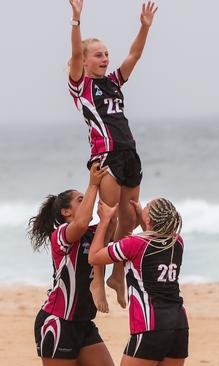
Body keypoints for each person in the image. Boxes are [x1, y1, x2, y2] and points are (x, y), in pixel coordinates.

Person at [67, 0, 159, 309]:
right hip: (105, 156)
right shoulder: (81, 86)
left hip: (129, 153)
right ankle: (97, 280)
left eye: (106, 54)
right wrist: (77, 21)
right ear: (85, 60)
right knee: (105, 219)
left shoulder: (114, 82)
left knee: (129, 217)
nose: (105, 58)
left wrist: (144, 27)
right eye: (99, 54)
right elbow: (75, 54)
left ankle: (118, 274)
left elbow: (135, 54)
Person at [28, 163, 114, 365]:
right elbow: (81, 223)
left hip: (84, 322)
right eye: (81, 200)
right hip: (57, 321)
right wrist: (92, 184)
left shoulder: (94, 234)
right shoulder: (61, 235)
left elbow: (114, 223)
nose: (87, 203)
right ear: (66, 211)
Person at [88, 198, 188, 366]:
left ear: (149, 219)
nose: (145, 205)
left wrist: (104, 221)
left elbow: (94, 257)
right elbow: (155, 240)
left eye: (148, 206)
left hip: (151, 325)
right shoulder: (176, 242)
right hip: (179, 324)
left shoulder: (134, 244)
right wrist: (144, 216)